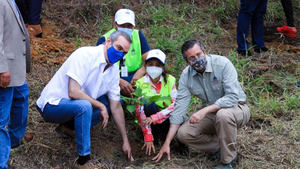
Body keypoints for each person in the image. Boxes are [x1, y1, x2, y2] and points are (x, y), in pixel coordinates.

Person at [36, 31, 134, 169]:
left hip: (73, 108)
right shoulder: (85, 55)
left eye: (124, 52)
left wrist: (125, 140)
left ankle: (68, 128)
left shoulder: (113, 71)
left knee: (113, 103)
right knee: (86, 106)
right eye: (119, 48)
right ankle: (83, 160)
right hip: (52, 105)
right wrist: (100, 106)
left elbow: (116, 106)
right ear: (108, 42)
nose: (120, 54)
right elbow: (73, 91)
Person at [153, 40, 250, 169]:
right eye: (192, 58)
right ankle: (220, 146)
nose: (197, 59)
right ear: (187, 62)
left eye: (199, 54)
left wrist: (204, 111)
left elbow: (232, 97)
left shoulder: (222, 64)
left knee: (223, 114)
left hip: (237, 108)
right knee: (184, 133)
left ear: (205, 52)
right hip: (212, 114)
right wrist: (167, 142)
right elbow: (179, 109)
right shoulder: (186, 76)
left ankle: (228, 161)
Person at [0, 0, 31, 168]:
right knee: (1, 120)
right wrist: (2, 69)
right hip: (5, 70)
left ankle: (14, 139)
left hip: (16, 68)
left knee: (21, 97)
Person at [96, 8, 150, 97]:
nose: (126, 28)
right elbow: (99, 69)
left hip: (134, 76)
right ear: (115, 25)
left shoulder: (138, 35)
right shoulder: (105, 39)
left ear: (133, 27)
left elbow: (149, 59)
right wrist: (118, 81)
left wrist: (141, 71)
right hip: (111, 78)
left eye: (129, 26)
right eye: (123, 25)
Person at [134, 49, 177, 156]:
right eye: (151, 64)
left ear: (163, 68)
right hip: (147, 122)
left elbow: (175, 104)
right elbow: (139, 111)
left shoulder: (170, 80)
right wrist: (148, 136)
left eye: (158, 65)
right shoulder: (140, 83)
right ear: (146, 66)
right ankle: (152, 136)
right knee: (148, 105)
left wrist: (156, 117)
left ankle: (168, 139)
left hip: (165, 119)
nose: (154, 67)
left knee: (177, 115)